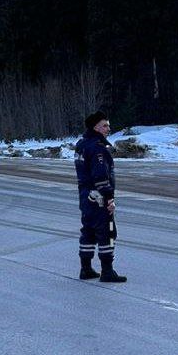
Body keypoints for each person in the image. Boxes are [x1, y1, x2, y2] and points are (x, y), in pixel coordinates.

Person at [74, 111, 126, 283]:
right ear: (95, 127)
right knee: (108, 231)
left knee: (88, 231)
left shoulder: (81, 145)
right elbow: (101, 177)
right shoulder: (97, 148)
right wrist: (109, 198)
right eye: (105, 125)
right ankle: (107, 271)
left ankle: (86, 268)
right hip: (98, 198)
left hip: (85, 197)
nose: (108, 129)